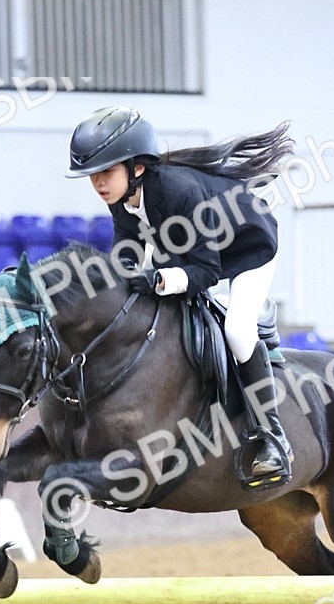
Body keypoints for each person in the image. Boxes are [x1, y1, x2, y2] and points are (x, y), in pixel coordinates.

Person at [65, 106, 294, 486]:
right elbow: (127, 249)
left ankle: (273, 437)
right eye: (93, 176)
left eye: (106, 172)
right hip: (193, 254)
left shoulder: (179, 191)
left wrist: (158, 279)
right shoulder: (122, 197)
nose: (99, 184)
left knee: (237, 329)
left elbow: (204, 272)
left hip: (249, 249)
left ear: (137, 168)